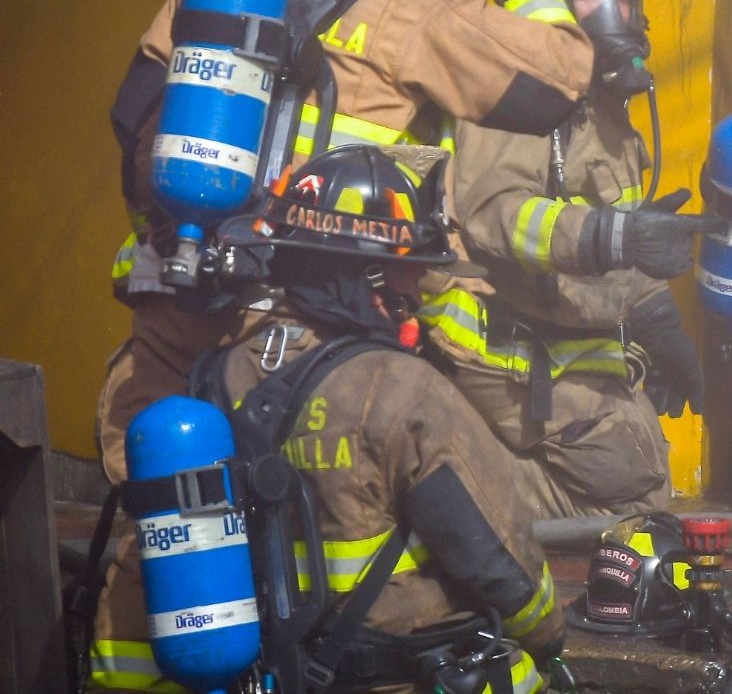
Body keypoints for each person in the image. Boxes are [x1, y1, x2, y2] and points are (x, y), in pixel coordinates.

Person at [98, 0, 612, 489]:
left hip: (177, 297)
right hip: (309, 335)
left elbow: (132, 115)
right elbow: (561, 77)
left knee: (165, 538)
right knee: (313, 538)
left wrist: (178, 240)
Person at [88, 146, 566, 693]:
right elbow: (495, 553)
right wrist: (550, 635)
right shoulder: (402, 388)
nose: (415, 291)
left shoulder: (220, 372)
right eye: (407, 272)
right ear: (368, 274)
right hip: (399, 676)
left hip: (275, 674)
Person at [429, 0, 704, 519]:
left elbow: (619, 224)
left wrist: (658, 316)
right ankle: (446, 480)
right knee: (632, 491)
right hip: (503, 345)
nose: (614, 14)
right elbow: (494, 213)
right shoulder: (517, 90)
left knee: (643, 484)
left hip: (570, 345)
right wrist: (613, 236)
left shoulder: (610, 109)